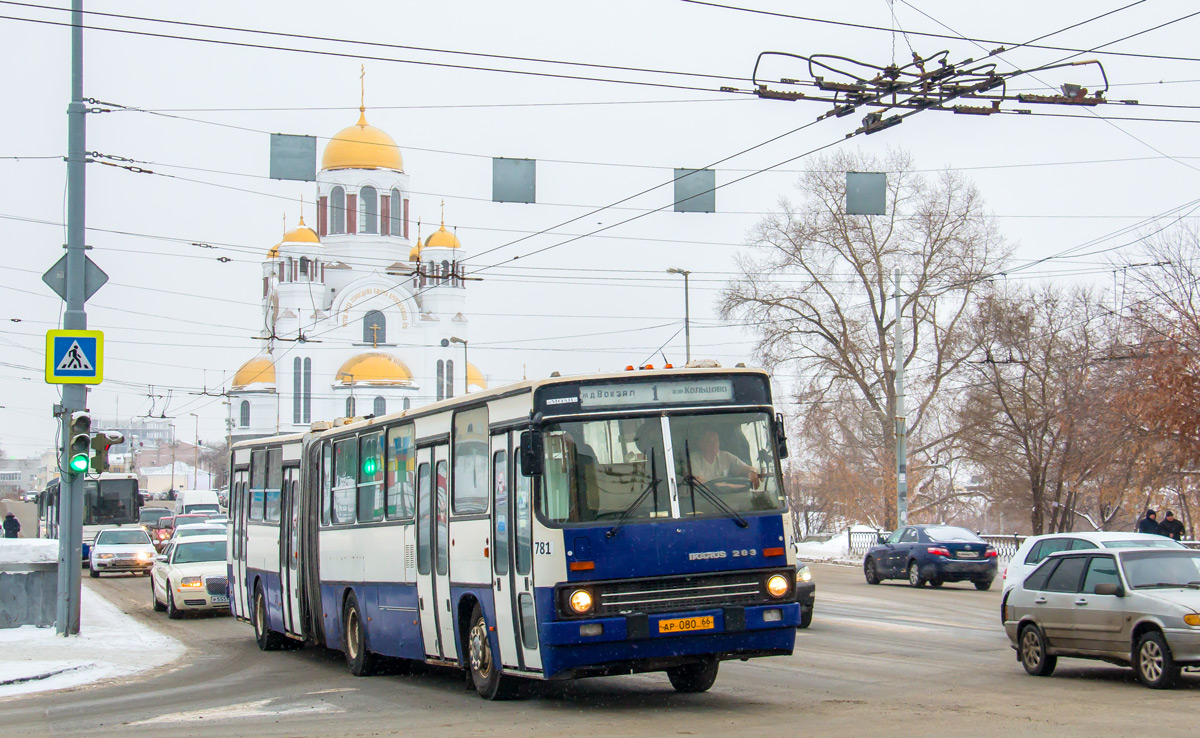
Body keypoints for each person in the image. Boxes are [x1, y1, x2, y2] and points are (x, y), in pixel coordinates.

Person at [687, 429, 760, 489]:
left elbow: (746, 468)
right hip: (701, 501)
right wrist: (734, 487)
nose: (714, 444)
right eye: (710, 441)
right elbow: (702, 483)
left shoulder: (726, 456)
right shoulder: (693, 459)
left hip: (724, 502)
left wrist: (752, 472)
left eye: (716, 440)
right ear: (700, 443)